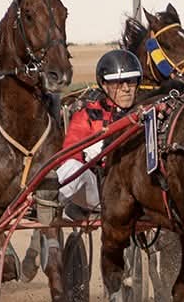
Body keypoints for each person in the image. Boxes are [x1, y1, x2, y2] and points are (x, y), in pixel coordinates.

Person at [58, 49, 144, 218]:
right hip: (99, 192)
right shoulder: (88, 114)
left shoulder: (147, 112)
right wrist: (88, 155)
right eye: (119, 83)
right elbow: (70, 153)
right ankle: (53, 204)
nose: (126, 89)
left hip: (137, 192)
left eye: (131, 82)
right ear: (104, 85)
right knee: (71, 167)